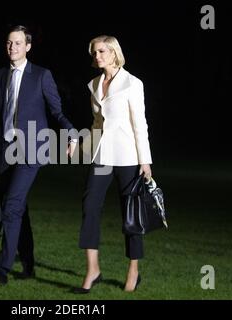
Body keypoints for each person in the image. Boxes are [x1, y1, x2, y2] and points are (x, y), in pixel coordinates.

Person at [0, 25, 77, 285]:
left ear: (28, 46)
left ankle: (2, 269)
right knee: (18, 208)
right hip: (5, 151)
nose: (13, 47)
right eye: (9, 43)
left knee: (11, 206)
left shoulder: (42, 76)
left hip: (32, 150)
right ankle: (29, 264)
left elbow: (56, 111)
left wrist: (71, 133)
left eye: (18, 43)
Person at [75, 35, 153, 293]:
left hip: (128, 157)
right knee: (89, 206)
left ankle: (133, 270)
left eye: (101, 52)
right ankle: (92, 269)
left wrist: (145, 161)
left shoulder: (133, 84)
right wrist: (82, 147)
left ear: (113, 53)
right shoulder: (95, 84)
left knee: (130, 215)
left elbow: (140, 124)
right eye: (94, 52)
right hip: (102, 156)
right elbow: (97, 124)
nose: (96, 56)